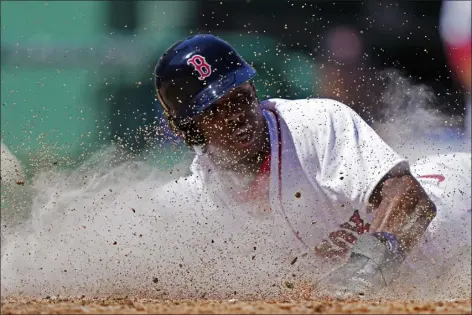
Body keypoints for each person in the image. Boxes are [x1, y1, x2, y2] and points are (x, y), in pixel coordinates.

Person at [153, 34, 471, 299]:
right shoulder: (191, 207)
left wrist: (365, 268)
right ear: (189, 128)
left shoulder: (312, 125)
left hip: (456, 216)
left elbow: (412, 200)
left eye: (240, 98)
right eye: (216, 111)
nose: (236, 115)